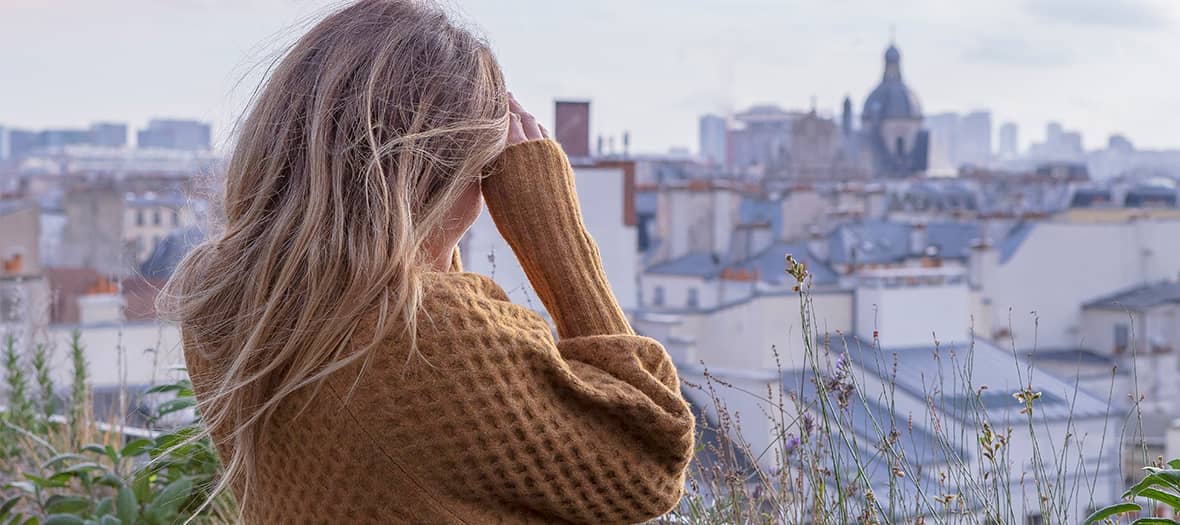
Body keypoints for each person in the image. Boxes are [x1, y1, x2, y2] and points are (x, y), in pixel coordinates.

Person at [161, 0, 696, 523]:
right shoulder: (432, 338)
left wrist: (430, 234)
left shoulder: (223, 298)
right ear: (450, 173)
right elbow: (649, 463)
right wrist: (555, 236)